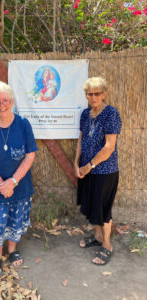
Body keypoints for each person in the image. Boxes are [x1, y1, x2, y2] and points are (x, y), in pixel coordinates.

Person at [0, 81, 37, 276]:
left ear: (12, 101)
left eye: (5, 101)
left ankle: (12, 250)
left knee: (15, 219)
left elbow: (30, 155)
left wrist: (13, 181)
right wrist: (0, 183)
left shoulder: (23, 124)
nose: (2, 105)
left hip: (19, 186)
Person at [74, 77, 121, 265]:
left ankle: (107, 244)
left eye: (97, 93)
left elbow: (109, 147)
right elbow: (81, 140)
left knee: (103, 209)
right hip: (86, 170)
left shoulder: (111, 114)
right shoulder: (85, 114)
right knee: (92, 206)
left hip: (105, 171)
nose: (93, 97)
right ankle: (98, 237)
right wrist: (75, 163)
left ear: (104, 94)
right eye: (89, 94)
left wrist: (88, 165)